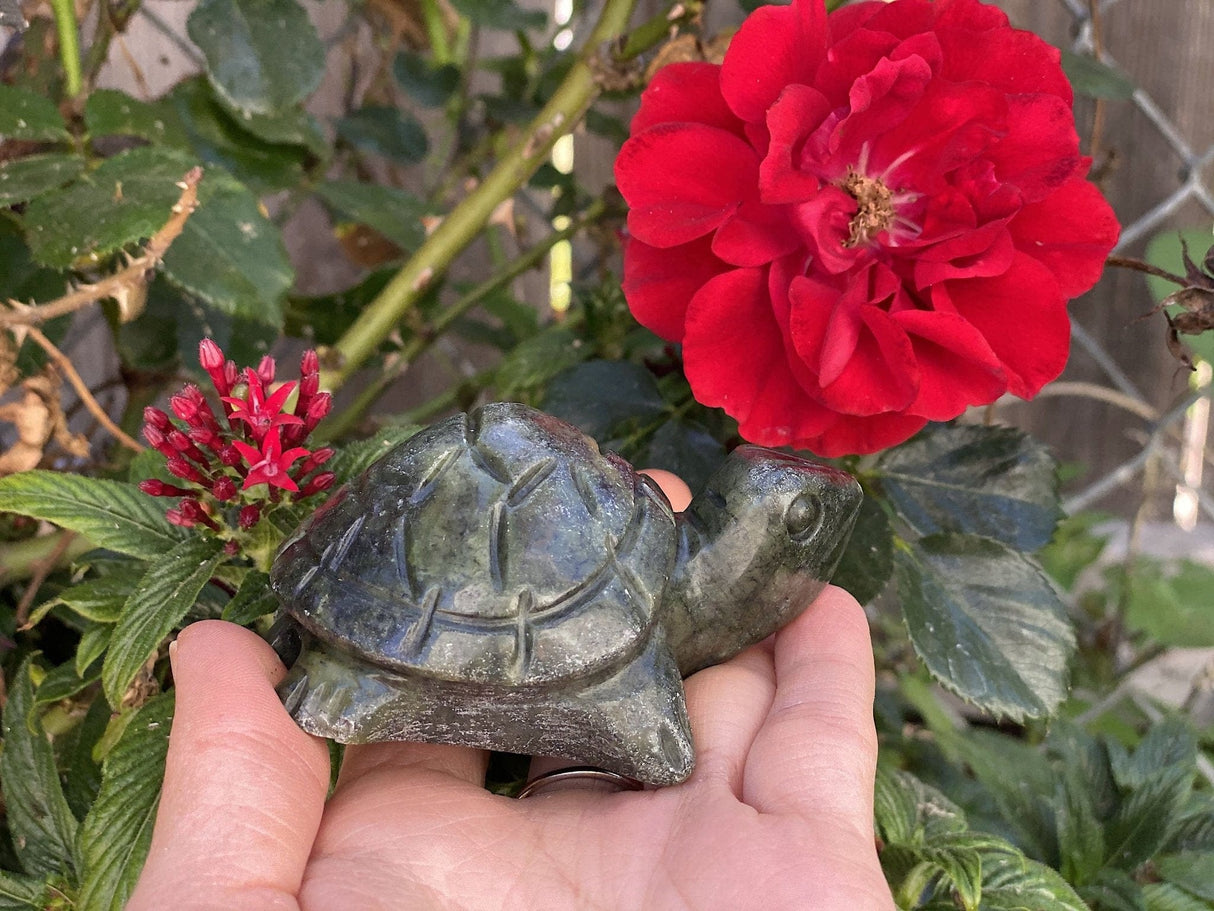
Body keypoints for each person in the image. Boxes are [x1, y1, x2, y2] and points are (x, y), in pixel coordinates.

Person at [129, 473, 894, 910]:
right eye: (798, 520)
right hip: (395, 587)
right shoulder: (647, 631)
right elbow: (656, 745)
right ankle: (352, 665)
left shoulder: (655, 588)